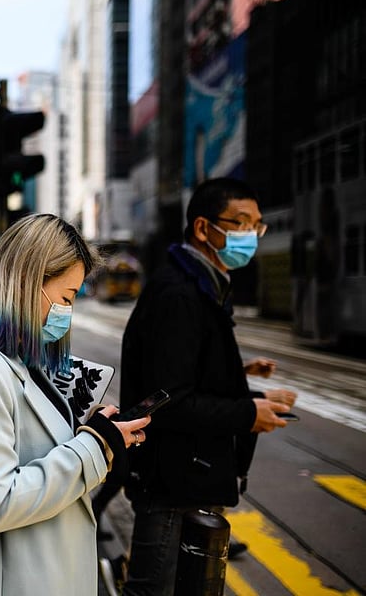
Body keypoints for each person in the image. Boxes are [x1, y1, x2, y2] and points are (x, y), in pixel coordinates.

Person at [0, 213, 150, 595]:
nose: (68, 312)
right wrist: (94, 447)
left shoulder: (14, 359)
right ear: (29, 281)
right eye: (66, 297)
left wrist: (93, 433)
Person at [119, 177, 298, 595]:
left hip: (187, 478)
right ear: (203, 229)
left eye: (257, 225)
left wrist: (251, 394)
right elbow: (168, 401)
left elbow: (190, 375)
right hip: (174, 486)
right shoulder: (180, 295)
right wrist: (248, 413)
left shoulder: (201, 288)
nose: (251, 235)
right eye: (240, 223)